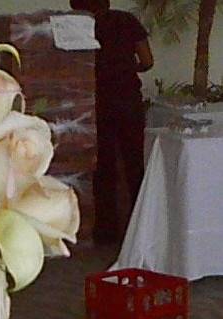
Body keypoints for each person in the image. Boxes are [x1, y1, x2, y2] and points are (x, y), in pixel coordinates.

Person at [70, 0, 154, 245]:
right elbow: (148, 61)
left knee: (103, 169)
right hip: (128, 100)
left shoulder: (78, 26)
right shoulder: (127, 21)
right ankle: (142, 229)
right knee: (134, 165)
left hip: (97, 102)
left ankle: (106, 233)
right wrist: (127, 68)